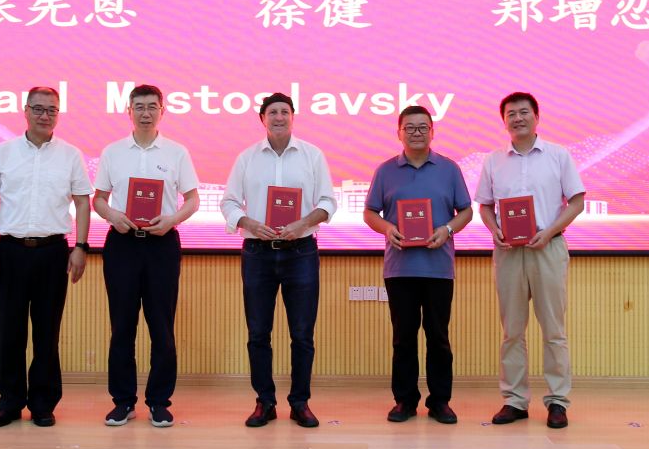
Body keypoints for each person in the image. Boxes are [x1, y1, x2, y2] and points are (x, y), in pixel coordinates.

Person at [221, 92, 336, 428]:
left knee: (302, 334)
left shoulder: (312, 155)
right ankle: (265, 402)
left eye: (285, 112)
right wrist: (248, 222)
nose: (279, 117)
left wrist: (303, 223)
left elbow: (328, 201)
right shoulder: (246, 158)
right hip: (257, 253)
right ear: (263, 119)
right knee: (258, 333)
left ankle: (300, 403)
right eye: (273, 112)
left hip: (301, 252)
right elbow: (229, 203)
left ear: (293, 116)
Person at [0, 86, 92, 428]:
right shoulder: (3, 152)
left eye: (52, 110)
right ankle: (9, 403)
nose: (45, 115)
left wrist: (81, 247)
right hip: (10, 252)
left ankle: (43, 403)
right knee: (9, 331)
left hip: (53, 253)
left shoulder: (70, 155)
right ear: (25, 111)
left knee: (47, 332)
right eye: (39, 109)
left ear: (58, 114)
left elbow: (82, 203)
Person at [93, 84, 200, 428]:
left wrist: (172, 220)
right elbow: (98, 199)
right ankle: (123, 402)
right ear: (129, 111)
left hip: (161, 245)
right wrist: (113, 216)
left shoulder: (176, 152)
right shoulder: (113, 152)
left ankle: (158, 402)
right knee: (122, 326)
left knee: (162, 327)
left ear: (162, 111)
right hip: (122, 244)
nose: (145, 112)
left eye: (152, 106)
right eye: (139, 106)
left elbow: (192, 200)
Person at [475, 92, 585, 429]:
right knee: (512, 331)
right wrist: (494, 230)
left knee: (553, 330)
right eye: (511, 114)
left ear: (536, 117)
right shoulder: (494, 160)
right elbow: (485, 206)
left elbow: (577, 201)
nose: (517, 118)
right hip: (508, 252)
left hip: (547, 248)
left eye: (524, 112)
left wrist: (549, 232)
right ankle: (514, 400)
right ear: (504, 120)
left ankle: (557, 401)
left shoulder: (558, 155)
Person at [363, 105, 472, 424]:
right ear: (398, 133)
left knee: (438, 337)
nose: (416, 133)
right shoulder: (385, 171)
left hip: (439, 268)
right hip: (399, 269)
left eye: (423, 127)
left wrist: (447, 229)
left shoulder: (449, 169)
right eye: (409, 128)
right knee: (403, 338)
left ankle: (440, 401)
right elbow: (370, 213)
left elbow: (466, 211)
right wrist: (387, 229)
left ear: (432, 132)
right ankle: (405, 400)